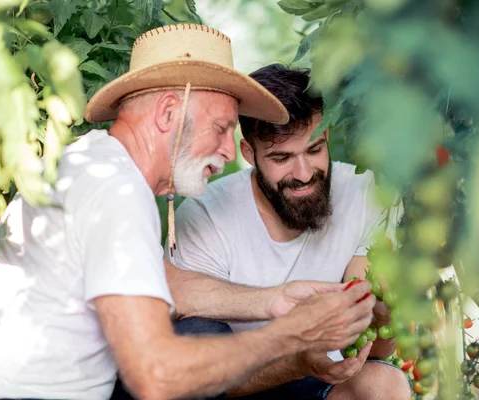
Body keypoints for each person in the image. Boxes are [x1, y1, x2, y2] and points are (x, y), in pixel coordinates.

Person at [0, 25, 378, 400]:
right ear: (170, 112)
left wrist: (274, 300)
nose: (229, 152)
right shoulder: (114, 191)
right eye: (222, 128)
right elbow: (158, 374)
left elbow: (164, 283)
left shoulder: (96, 163)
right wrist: (294, 337)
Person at [168, 64, 411, 399]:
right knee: (194, 334)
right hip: (229, 381)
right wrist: (295, 360)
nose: (303, 173)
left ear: (327, 136)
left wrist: (383, 315)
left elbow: (374, 346)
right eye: (281, 158)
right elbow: (187, 371)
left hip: (318, 381)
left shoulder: (365, 193)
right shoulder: (205, 215)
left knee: (382, 384)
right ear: (250, 154)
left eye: (314, 150)